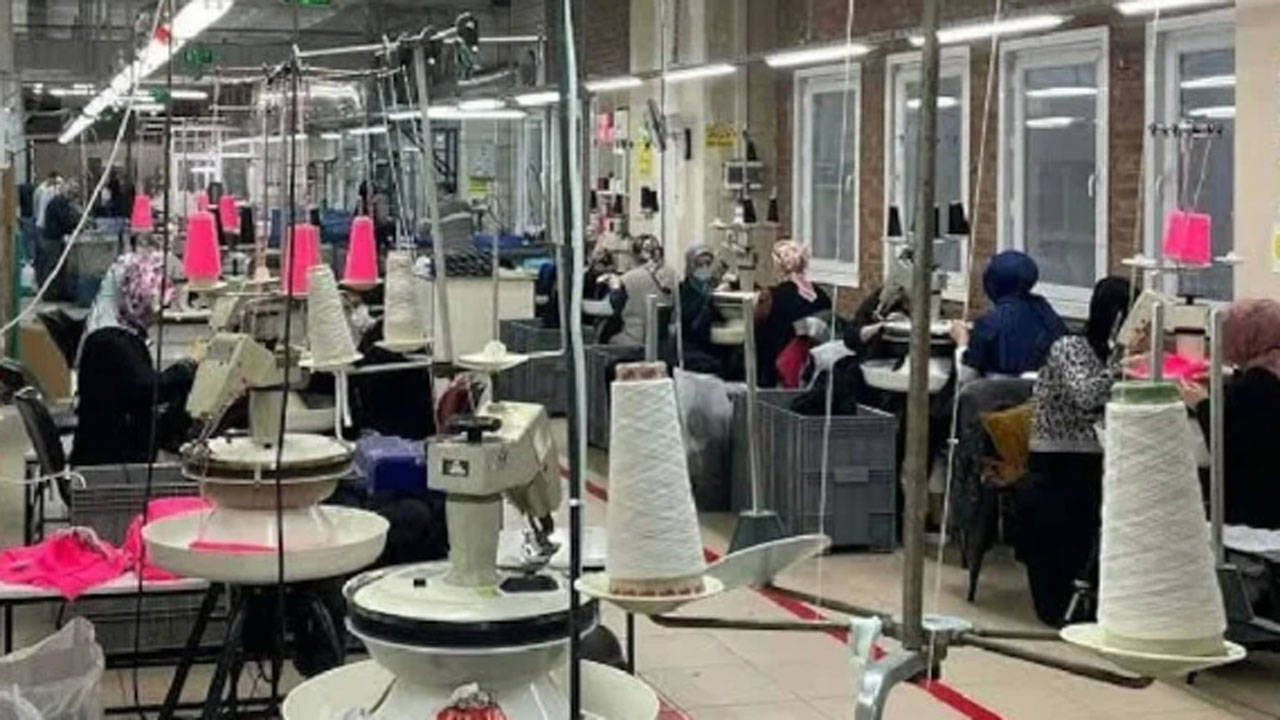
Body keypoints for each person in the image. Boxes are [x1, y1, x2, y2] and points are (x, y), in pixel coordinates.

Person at [1019, 276, 1131, 626]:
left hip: (1098, 456)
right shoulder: (1069, 347)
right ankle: (1057, 606)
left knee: (1093, 529)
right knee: (1061, 533)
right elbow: (1086, 395)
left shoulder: (1113, 354)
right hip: (1057, 457)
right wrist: (1122, 367)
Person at [71, 252, 196, 466]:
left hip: (113, 453)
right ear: (138, 299)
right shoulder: (110, 341)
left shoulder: (117, 334)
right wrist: (187, 367)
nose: (160, 314)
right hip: (111, 465)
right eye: (156, 305)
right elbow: (148, 389)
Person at [1180, 299, 1280, 530]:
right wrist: (1231, 375)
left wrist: (1201, 404)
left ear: (1244, 337)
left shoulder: (1254, 387)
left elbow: (1227, 443)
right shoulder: (1269, 369)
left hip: (1256, 513)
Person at [952, 250, 1067, 378]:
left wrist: (962, 341)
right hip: (1047, 388)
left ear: (993, 282)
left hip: (1000, 389)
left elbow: (966, 376)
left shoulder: (990, 324)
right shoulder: (1048, 315)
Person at [755, 240, 830, 387]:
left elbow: (757, 329)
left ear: (779, 267)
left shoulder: (772, 297)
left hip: (778, 368)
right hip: (813, 368)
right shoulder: (822, 296)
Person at [606, 235, 677, 347]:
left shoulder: (627, 279)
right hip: (665, 343)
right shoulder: (673, 275)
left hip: (633, 339)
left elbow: (614, 306)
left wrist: (615, 286)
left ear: (634, 255)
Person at [38, 180, 82, 302]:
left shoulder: (59, 202)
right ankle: (49, 293)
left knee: (60, 266)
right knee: (53, 266)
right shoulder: (59, 202)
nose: (74, 198)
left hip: (55, 238)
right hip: (53, 239)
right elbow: (64, 219)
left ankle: (60, 292)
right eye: (73, 194)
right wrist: (76, 225)